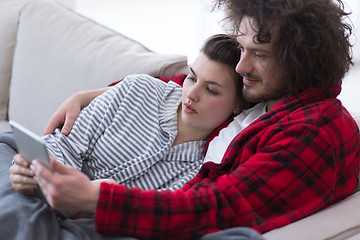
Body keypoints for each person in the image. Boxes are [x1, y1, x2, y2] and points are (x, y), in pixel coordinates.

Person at [10, 0, 360, 239]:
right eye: (243, 49)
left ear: (299, 60)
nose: (242, 66)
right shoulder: (267, 92)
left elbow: (220, 207)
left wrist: (95, 200)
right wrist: (92, 95)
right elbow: (186, 84)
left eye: (260, 55)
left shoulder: (313, 132)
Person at [10, 34, 251, 195]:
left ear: (237, 106)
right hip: (48, 177)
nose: (192, 94)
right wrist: (33, 170)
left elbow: (154, 213)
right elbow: (66, 145)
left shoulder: (204, 166)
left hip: (91, 218)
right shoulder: (138, 90)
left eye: (211, 90)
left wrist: (90, 195)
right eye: (191, 77)